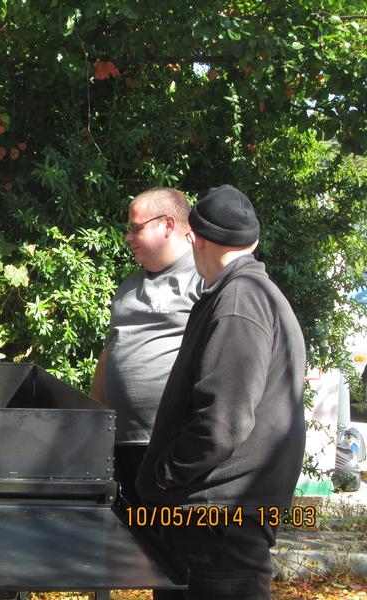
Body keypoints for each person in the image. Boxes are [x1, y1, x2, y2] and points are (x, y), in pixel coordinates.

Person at [135, 184, 306, 599]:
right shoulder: (248, 293)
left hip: (219, 522)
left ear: (199, 240)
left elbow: (221, 423)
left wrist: (161, 478)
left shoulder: (239, 301)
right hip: (219, 518)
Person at [90, 188, 202, 507]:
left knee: (161, 548)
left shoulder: (203, 279)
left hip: (168, 448)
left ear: (167, 225)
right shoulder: (129, 284)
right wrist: (92, 416)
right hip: (117, 442)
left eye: (136, 227)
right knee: (125, 545)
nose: (128, 237)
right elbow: (111, 349)